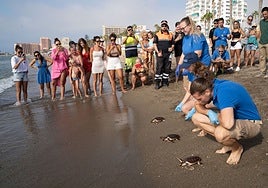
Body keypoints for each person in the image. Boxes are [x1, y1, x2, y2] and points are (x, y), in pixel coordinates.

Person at [189, 77, 262, 165]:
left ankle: (236, 148)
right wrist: (208, 112)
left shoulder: (224, 92)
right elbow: (197, 105)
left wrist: (219, 115)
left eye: (199, 98)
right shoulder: (213, 87)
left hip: (251, 123)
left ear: (207, 92)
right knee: (196, 118)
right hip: (234, 119)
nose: (198, 101)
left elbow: (228, 125)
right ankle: (229, 143)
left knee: (221, 133)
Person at [176, 16, 211, 86]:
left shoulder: (197, 36)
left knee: (196, 88)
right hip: (190, 64)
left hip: (201, 66)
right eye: (181, 29)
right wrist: (179, 65)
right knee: (186, 86)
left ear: (189, 26)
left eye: (183, 28)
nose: (182, 30)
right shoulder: (185, 38)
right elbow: (184, 52)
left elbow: (197, 54)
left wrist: (186, 67)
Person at [153, 20, 174, 89]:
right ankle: (157, 82)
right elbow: (155, 44)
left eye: (165, 25)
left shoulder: (170, 34)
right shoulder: (157, 34)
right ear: (161, 26)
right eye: (163, 26)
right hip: (160, 54)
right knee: (159, 67)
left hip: (168, 54)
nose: (164, 27)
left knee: (167, 68)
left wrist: (172, 48)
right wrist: (158, 52)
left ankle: (165, 81)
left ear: (167, 26)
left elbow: (173, 43)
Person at [256, 7, 268, 78]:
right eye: (263, 14)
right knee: (262, 58)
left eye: (266, 14)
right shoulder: (261, 22)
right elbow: (259, 31)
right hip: (261, 42)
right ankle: (262, 72)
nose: (264, 15)